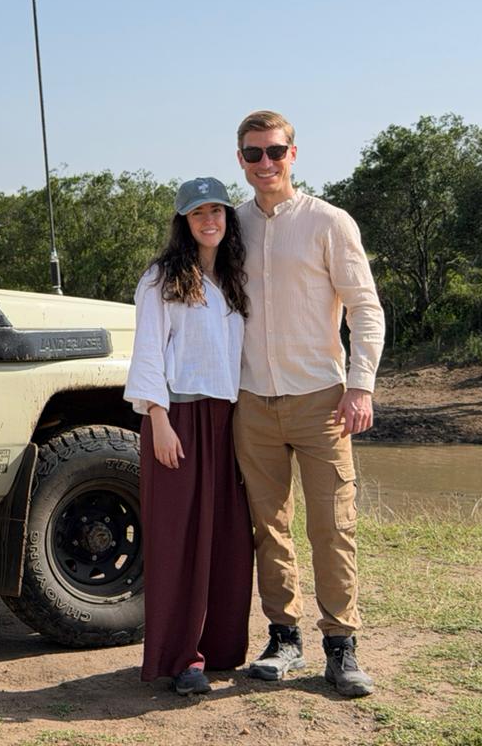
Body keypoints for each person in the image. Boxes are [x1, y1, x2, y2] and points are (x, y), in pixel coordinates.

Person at [233, 110, 385, 698]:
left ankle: (341, 646)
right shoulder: (230, 226)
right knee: (268, 527)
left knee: (332, 525)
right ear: (240, 160)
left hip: (323, 400)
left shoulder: (328, 222)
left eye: (275, 152)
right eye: (253, 154)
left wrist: (361, 383)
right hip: (251, 401)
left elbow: (364, 308)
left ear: (294, 154)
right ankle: (283, 636)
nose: (265, 163)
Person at [124, 176, 254, 696]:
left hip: (230, 420)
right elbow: (149, 351)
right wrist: (157, 419)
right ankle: (182, 659)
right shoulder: (161, 279)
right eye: (198, 213)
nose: (209, 221)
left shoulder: (236, 279)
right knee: (179, 541)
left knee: (226, 536)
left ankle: (220, 649)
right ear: (183, 221)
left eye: (217, 211)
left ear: (227, 218)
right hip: (177, 419)